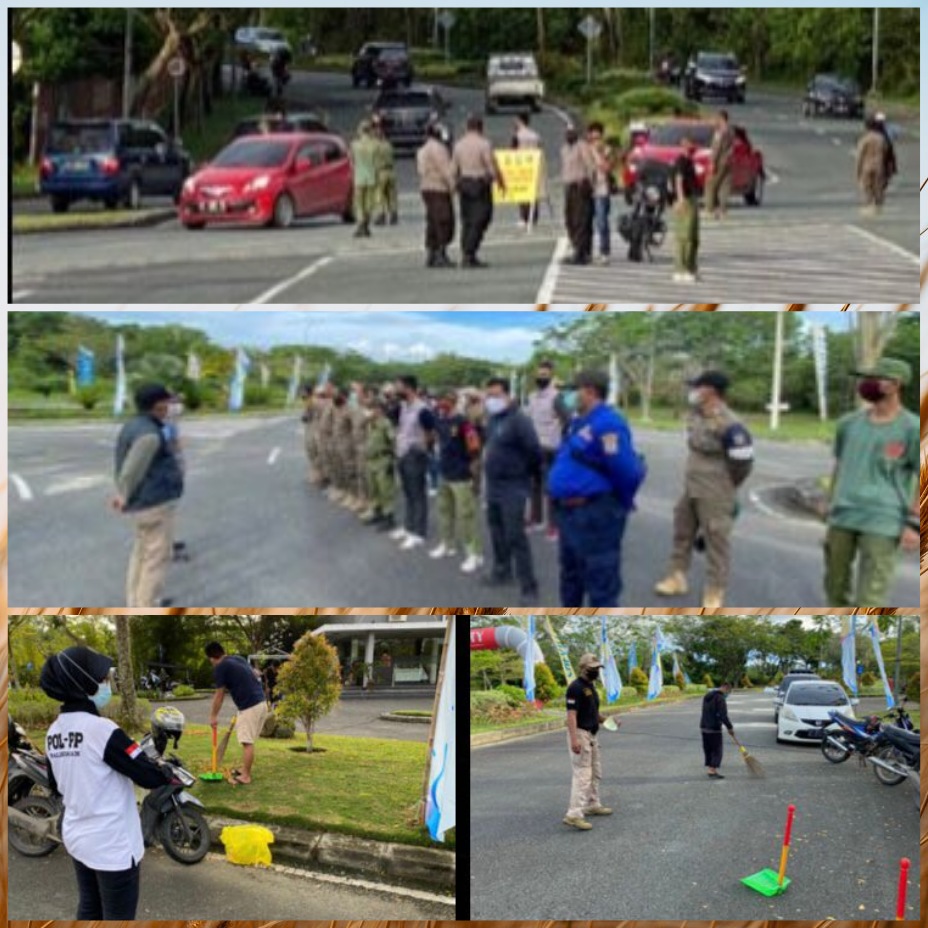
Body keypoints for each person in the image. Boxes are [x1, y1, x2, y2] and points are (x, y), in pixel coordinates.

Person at [40, 646, 173, 918]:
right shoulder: (102, 730)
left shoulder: (53, 732)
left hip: (78, 838)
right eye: (101, 679)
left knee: (89, 907)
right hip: (112, 845)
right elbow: (148, 776)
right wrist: (167, 771)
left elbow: (55, 785)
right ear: (84, 684)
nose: (106, 684)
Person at [654, 370, 754, 608]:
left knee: (716, 541)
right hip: (691, 487)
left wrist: (726, 487)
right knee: (682, 532)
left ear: (711, 391)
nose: (693, 392)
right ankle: (676, 576)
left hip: (716, 491)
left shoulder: (731, 424)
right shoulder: (696, 416)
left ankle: (715, 590)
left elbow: (743, 463)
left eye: (698, 387)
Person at [824, 357, 919, 605]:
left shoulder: (912, 428)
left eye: (873, 379)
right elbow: (840, 465)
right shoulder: (848, 424)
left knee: (871, 597)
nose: (866, 384)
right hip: (843, 515)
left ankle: (862, 638)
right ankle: (843, 637)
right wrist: (829, 502)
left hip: (884, 520)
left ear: (895, 384)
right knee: (834, 588)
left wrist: (913, 525)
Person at [548, 370, 647, 607]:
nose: (567, 396)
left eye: (573, 390)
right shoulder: (578, 422)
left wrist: (617, 503)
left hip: (594, 514)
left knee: (600, 583)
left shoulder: (608, 423)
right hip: (570, 514)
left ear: (590, 391)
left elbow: (628, 471)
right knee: (571, 577)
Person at [112, 383, 184, 607]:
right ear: (158, 404)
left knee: (142, 554)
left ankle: (135, 603)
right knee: (156, 559)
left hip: (144, 503)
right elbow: (131, 469)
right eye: (167, 401)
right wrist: (123, 495)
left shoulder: (136, 425)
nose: (171, 406)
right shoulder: (149, 435)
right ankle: (146, 607)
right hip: (153, 504)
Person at [482, 376, 542, 604]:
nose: (492, 400)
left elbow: (534, 452)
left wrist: (524, 475)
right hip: (494, 485)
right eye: (489, 395)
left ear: (508, 395)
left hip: (514, 486)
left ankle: (529, 586)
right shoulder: (493, 420)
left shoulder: (519, 420)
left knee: (516, 535)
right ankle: (502, 570)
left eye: (496, 395)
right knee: (496, 530)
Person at [430, 389, 484, 573]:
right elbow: (437, 441)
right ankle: (447, 544)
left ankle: (474, 554)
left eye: (444, 400)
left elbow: (475, 446)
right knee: (444, 511)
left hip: (461, 475)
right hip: (444, 472)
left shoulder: (463, 422)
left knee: (465, 515)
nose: (440, 404)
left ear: (452, 401)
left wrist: (472, 470)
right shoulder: (440, 420)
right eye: (439, 401)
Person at [564, 653, 616, 831]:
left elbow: (593, 713)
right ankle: (574, 814)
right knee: (583, 775)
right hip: (581, 734)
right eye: (592, 668)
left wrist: (608, 720)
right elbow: (571, 716)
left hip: (592, 735)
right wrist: (574, 739)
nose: (595, 671)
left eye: (597, 668)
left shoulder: (591, 687)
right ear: (583, 668)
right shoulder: (575, 687)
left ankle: (592, 804)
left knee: (595, 772)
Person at [205, 642, 269, 786]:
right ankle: (244, 770)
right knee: (248, 740)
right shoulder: (238, 659)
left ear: (211, 658)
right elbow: (255, 673)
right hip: (261, 703)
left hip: (250, 706)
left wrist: (213, 716)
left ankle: (245, 776)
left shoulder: (220, 667)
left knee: (247, 742)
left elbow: (219, 695)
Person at [451, 115, 505, 268]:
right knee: (481, 218)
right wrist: (499, 181)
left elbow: (453, 168)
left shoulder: (458, 145)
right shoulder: (484, 144)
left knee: (467, 220)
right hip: (480, 184)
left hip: (464, 184)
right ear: (480, 128)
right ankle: (469, 252)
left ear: (467, 127)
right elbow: (491, 165)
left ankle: (467, 252)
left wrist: (453, 185)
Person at [390, 374, 436, 550]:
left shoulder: (422, 409)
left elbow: (431, 432)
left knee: (417, 494)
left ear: (408, 388)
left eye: (398, 386)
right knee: (408, 492)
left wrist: (422, 449)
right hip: (402, 453)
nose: (396, 390)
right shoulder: (402, 406)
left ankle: (418, 533)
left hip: (415, 455)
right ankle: (408, 527)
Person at [525, 359, 569, 539]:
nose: (541, 377)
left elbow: (567, 419)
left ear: (551, 376)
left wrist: (558, 435)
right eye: (539, 374)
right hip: (534, 447)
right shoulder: (531, 396)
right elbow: (529, 419)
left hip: (552, 448)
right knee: (534, 485)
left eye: (545, 375)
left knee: (551, 487)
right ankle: (536, 519)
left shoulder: (556, 396)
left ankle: (554, 525)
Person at [417, 121, 456, 268]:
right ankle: (441, 253)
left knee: (432, 221)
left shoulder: (422, 150)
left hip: (426, 188)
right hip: (439, 188)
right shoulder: (439, 149)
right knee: (444, 221)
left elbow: (420, 171)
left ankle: (431, 253)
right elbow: (446, 170)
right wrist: (453, 186)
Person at [560, 124, 596, 265]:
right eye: (567, 132)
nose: (569, 135)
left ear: (577, 133)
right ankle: (578, 248)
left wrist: (589, 184)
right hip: (569, 187)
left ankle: (581, 253)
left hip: (580, 187)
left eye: (572, 132)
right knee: (570, 220)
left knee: (581, 220)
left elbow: (590, 167)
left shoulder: (582, 147)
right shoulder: (564, 149)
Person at [361, 395, 398, 529]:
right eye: (368, 407)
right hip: (371, 461)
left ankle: (389, 518)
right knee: (373, 489)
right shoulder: (370, 423)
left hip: (383, 461)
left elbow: (393, 442)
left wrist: (392, 462)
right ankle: (377, 513)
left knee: (385, 490)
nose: (369, 410)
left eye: (372, 408)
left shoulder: (385, 423)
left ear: (379, 409)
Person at [671, 136, 700, 282]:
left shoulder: (689, 161)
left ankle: (691, 267)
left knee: (694, 237)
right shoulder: (681, 161)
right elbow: (678, 180)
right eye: (691, 144)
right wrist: (680, 199)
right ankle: (681, 269)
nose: (693, 147)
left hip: (693, 199)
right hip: (685, 200)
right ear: (684, 145)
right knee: (685, 236)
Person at [587, 121, 615, 265]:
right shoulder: (585, 149)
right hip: (587, 190)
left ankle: (605, 251)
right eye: (593, 136)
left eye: (598, 137)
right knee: (586, 223)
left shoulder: (607, 150)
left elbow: (608, 169)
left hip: (602, 189)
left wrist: (599, 154)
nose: (596, 140)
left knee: (602, 222)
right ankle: (587, 251)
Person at [512, 112, 542, 226]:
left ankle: (524, 217)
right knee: (533, 193)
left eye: (516, 121)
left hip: (521, 167)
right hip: (534, 165)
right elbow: (539, 148)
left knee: (522, 192)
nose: (514, 123)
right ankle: (534, 217)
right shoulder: (535, 135)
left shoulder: (517, 135)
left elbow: (513, 151)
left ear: (520, 121)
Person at [350, 120, 379, 237]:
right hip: (371, 177)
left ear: (361, 131)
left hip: (359, 177)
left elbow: (351, 162)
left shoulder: (354, 145)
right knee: (368, 203)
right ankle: (366, 224)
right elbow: (377, 162)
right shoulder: (375, 145)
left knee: (359, 204)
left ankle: (360, 224)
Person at [856, 116, 889, 215]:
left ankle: (870, 205)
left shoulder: (865, 139)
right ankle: (878, 207)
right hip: (879, 166)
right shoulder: (881, 139)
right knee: (878, 188)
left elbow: (860, 155)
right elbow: (886, 153)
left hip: (867, 166)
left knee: (867, 187)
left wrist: (858, 171)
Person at [700, 681, 734, 779]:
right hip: (714, 728)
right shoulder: (720, 698)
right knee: (717, 750)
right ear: (726, 688)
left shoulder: (707, 696)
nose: (727, 694)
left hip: (704, 727)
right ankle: (712, 770)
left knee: (708, 749)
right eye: (728, 692)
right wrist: (730, 727)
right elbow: (723, 715)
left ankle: (710, 768)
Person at [705, 109, 733, 219]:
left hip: (719, 161)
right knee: (724, 186)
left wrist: (712, 162)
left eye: (717, 118)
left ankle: (711, 209)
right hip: (728, 161)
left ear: (722, 118)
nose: (715, 121)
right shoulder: (731, 130)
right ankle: (723, 210)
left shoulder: (720, 132)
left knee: (711, 185)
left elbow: (716, 148)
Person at [371, 115, 398, 225]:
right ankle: (393, 213)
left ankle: (381, 214)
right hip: (391, 171)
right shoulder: (388, 144)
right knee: (391, 194)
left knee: (380, 194)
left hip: (381, 172)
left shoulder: (375, 145)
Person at [872, 111, 898, 194]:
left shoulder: (888, 128)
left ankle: (891, 171)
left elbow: (894, 136)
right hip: (879, 148)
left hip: (886, 147)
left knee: (891, 159)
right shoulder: (875, 128)